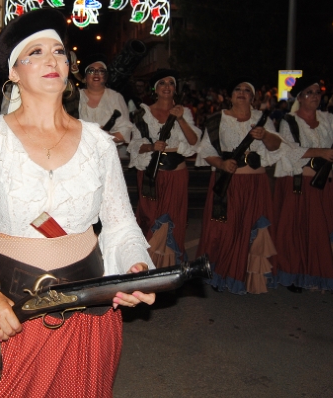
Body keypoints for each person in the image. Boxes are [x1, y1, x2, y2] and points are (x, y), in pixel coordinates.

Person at [0, 9, 155, 398]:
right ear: (14, 72)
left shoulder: (98, 142)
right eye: (35, 52)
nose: (52, 60)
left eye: (58, 51)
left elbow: (120, 224)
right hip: (10, 309)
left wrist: (134, 268)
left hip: (89, 310)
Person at [195, 81, 283, 294]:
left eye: (247, 91)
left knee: (251, 228)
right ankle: (223, 274)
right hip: (228, 184)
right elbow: (205, 150)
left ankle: (247, 277)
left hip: (256, 186)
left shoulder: (262, 119)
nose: (242, 93)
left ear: (253, 97)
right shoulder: (217, 119)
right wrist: (221, 164)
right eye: (237, 89)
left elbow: (276, 146)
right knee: (227, 229)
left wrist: (265, 135)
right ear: (231, 95)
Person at [268, 77, 333, 293]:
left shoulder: (329, 120)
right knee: (297, 230)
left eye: (317, 92)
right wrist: (320, 152)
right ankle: (295, 273)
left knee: (322, 229)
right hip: (300, 183)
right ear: (300, 97)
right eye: (309, 92)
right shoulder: (289, 121)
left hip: (324, 183)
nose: (314, 96)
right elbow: (288, 150)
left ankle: (317, 272)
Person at [128, 70, 199, 266]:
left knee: (173, 220)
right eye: (162, 83)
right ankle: (148, 266)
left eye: (171, 83)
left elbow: (194, 142)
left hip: (177, 176)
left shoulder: (185, 112)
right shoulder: (142, 114)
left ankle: (169, 267)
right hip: (151, 176)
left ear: (175, 89)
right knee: (151, 219)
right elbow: (135, 145)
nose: (167, 86)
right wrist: (152, 147)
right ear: (155, 89)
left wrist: (181, 119)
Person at [78, 54, 132, 146]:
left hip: (108, 151)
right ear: (85, 78)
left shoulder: (115, 97)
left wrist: (108, 136)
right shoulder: (76, 97)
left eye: (101, 71)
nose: (96, 74)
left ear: (106, 77)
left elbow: (125, 131)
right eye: (91, 71)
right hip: (80, 150)